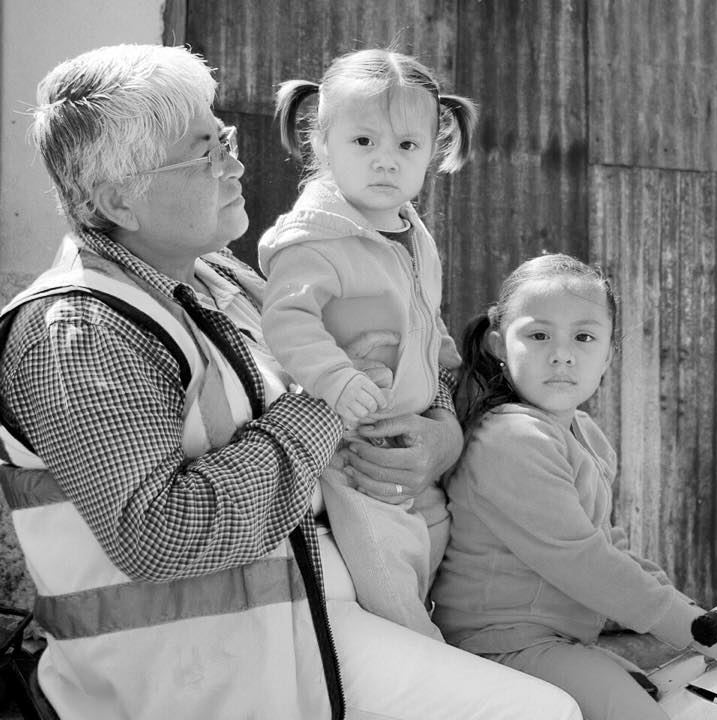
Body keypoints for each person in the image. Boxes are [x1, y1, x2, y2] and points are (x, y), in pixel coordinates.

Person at [0, 44, 581, 720]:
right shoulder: (77, 330)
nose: (236, 163)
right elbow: (157, 534)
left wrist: (439, 435)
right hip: (199, 674)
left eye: (225, 139)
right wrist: (322, 409)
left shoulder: (226, 282)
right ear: (117, 200)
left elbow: (404, 363)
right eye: (204, 153)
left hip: (307, 625)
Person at [431, 254, 717, 720]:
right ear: (501, 344)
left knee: (679, 692)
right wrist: (692, 628)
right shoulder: (510, 439)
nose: (562, 354)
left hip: (558, 640)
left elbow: (610, 547)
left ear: (608, 353)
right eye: (539, 335)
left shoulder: (585, 434)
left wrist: (695, 611)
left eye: (584, 337)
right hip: (501, 642)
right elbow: (585, 561)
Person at [258, 48, 475, 639]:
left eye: (407, 146)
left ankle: (436, 651)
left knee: (430, 542)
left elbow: (423, 318)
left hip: (407, 430)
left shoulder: (409, 232)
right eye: (362, 142)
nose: (386, 161)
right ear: (321, 142)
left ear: (435, 149)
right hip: (350, 446)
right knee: (386, 571)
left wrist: (444, 371)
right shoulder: (315, 239)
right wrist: (337, 378)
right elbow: (289, 321)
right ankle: (418, 656)